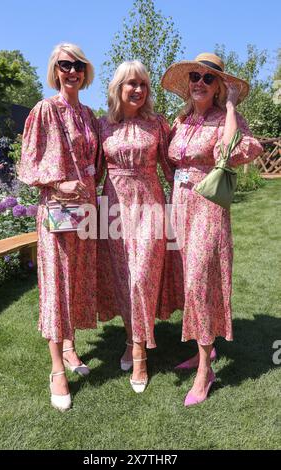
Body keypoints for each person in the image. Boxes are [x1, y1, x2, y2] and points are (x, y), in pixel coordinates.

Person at [161, 52, 263, 406]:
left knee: (200, 281)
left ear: (219, 85)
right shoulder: (182, 120)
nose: (199, 83)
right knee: (191, 282)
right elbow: (167, 156)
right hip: (181, 208)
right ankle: (206, 351)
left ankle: (205, 371)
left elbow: (234, 150)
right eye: (194, 77)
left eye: (208, 78)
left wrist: (232, 105)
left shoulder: (225, 119)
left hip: (208, 207)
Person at [18, 43, 99, 411]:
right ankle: (56, 369)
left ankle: (69, 347)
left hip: (86, 212)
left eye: (78, 65)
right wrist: (57, 183)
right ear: (55, 70)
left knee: (77, 282)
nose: (72, 71)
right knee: (55, 285)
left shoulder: (88, 114)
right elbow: (27, 165)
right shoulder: (43, 110)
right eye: (65, 65)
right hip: (56, 212)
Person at [97, 60, 174, 393]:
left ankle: (140, 352)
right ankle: (132, 339)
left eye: (143, 84)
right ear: (118, 88)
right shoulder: (103, 126)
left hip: (149, 205)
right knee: (123, 278)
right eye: (131, 84)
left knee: (142, 276)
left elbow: (174, 167)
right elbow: (92, 170)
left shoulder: (157, 124)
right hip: (112, 207)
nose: (138, 90)